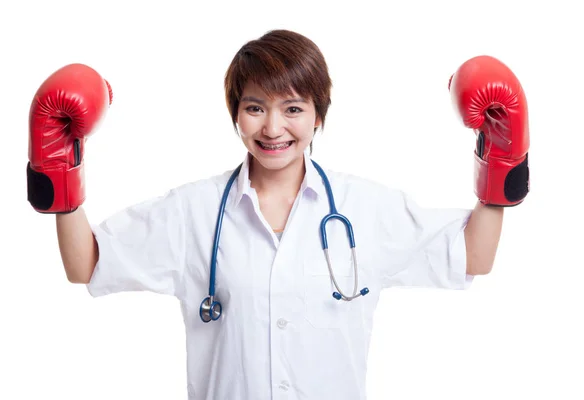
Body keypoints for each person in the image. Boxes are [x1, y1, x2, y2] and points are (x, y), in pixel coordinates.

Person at [26, 29, 529, 400]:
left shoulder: (364, 209)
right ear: (235, 113)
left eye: (293, 108)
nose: (272, 128)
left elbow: (471, 256)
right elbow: (87, 265)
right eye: (254, 107)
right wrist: (58, 170)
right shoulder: (192, 212)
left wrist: (501, 160)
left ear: (318, 113)